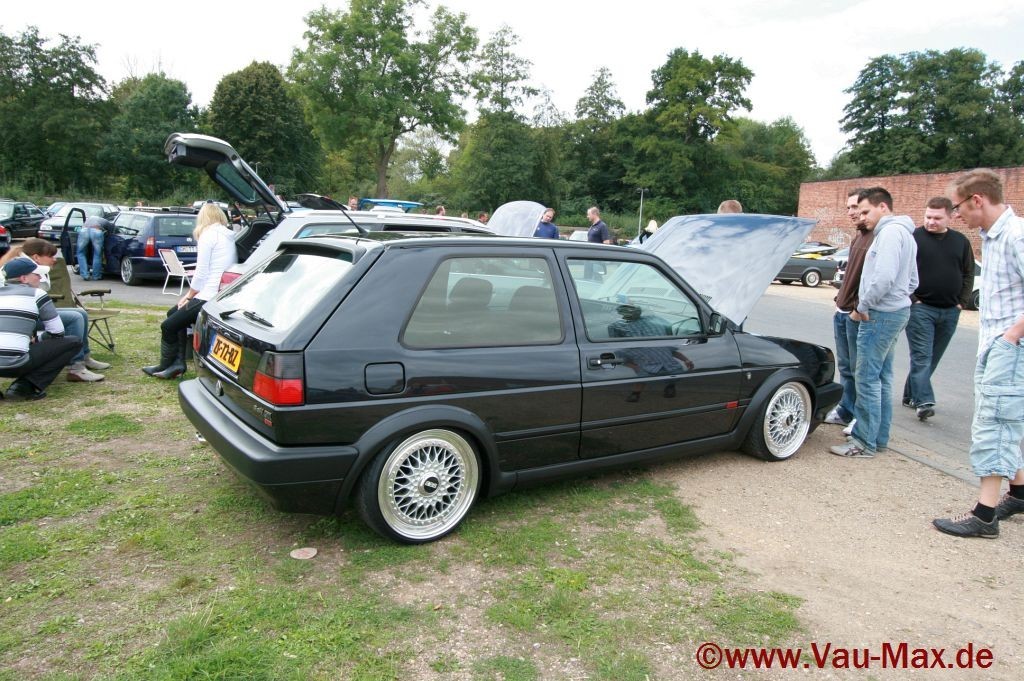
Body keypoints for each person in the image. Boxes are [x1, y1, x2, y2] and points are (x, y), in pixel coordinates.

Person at [933, 169, 1024, 538]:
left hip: (1010, 349)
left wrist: (1011, 336)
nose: (956, 216)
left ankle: (984, 516)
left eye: (957, 208)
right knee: (1007, 419)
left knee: (995, 423)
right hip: (999, 346)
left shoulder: (1016, 235)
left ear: (977, 200)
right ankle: (1019, 493)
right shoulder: (994, 237)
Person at [830, 187, 917, 459]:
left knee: (867, 378)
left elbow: (883, 278)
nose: (861, 216)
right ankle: (878, 438)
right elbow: (913, 281)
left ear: (883, 207)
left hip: (878, 314)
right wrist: (897, 299)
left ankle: (863, 442)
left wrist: (862, 306)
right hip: (895, 311)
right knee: (882, 378)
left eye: (866, 211)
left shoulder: (889, 233)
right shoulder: (906, 233)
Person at [141, 203, 237, 379]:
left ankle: (171, 364)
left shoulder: (208, 235)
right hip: (219, 294)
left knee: (168, 325)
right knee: (173, 314)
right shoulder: (228, 235)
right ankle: (174, 363)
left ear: (203, 218)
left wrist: (189, 296)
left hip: (209, 295)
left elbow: (201, 272)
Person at [901, 196, 974, 421]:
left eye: (937, 218)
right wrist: (913, 299)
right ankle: (924, 402)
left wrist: (962, 302)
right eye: (928, 217)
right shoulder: (914, 238)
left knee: (932, 358)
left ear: (950, 216)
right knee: (922, 356)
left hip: (951, 310)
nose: (931, 222)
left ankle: (910, 395)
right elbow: (901, 269)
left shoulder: (960, 241)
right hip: (921, 308)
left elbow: (968, 273)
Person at [15, 239, 108, 381]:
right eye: (50, 256)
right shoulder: (25, 270)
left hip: (36, 312)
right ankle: (76, 368)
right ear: (36, 257)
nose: (54, 259)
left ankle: (84, 357)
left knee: (81, 313)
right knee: (75, 318)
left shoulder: (37, 268)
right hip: (26, 317)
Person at [0, 259, 82, 400]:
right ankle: (24, 386)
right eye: (36, 274)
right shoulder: (37, 294)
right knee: (73, 342)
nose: (40, 277)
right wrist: (37, 340)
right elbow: (57, 332)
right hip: (16, 364)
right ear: (23, 278)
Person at [824, 188, 870, 431]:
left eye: (856, 207)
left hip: (856, 314)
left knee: (859, 369)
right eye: (849, 208)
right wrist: (839, 299)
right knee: (845, 367)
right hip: (843, 311)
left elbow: (875, 279)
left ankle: (860, 419)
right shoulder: (858, 237)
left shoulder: (877, 238)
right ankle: (846, 409)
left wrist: (857, 308)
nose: (852, 212)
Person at [77, 215, 112, 281]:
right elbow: (111, 230)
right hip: (97, 230)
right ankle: (96, 276)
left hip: (84, 230)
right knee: (97, 254)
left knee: (80, 253)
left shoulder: (89, 218)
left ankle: (85, 275)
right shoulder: (105, 221)